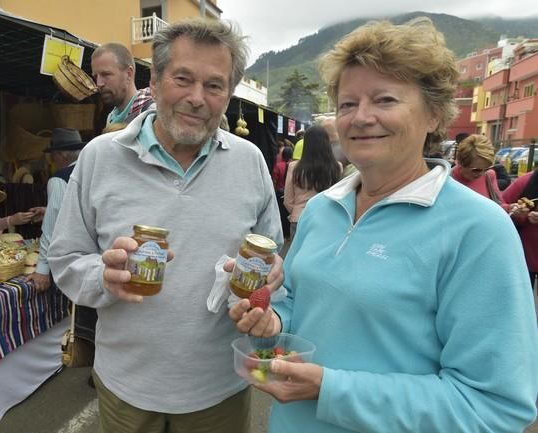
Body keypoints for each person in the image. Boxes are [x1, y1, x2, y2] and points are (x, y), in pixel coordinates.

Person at [230, 19, 538, 433]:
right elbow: (298, 304)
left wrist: (331, 389)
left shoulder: (480, 230)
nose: (361, 117)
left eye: (385, 99)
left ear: (433, 114)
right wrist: (274, 323)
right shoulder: (323, 208)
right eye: (346, 103)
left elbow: (495, 406)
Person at [48, 18, 283, 433]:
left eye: (214, 85)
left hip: (217, 392)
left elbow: (271, 264)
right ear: (153, 82)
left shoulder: (250, 163)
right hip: (126, 387)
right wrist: (105, 277)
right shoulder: (100, 157)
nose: (197, 98)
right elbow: (65, 259)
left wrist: (262, 293)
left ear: (228, 94)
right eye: (183, 79)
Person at [26, 128, 86, 292]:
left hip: (74, 259)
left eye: (53, 156)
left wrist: (43, 268)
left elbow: (52, 226)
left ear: (61, 155)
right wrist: (48, 210)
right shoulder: (93, 171)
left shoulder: (59, 179)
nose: (53, 161)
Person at [284, 124, 341, 239]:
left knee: (297, 255)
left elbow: (288, 200)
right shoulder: (337, 166)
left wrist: (296, 211)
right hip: (326, 218)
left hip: (299, 217)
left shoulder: (294, 167)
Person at [91, 42, 154, 126]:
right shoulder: (111, 118)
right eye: (95, 77)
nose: (99, 83)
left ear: (128, 74)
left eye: (106, 74)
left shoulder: (152, 115)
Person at [451, 134, 509, 209]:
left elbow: (498, 206)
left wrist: (511, 208)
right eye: (476, 170)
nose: (481, 174)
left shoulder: (489, 176)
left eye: (487, 168)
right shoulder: (446, 180)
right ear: (460, 163)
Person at [503, 168, 538, 292]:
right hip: (525, 256)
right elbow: (500, 204)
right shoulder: (528, 181)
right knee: (523, 301)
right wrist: (512, 209)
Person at [272, 146, 293, 239]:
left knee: (280, 213)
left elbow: (274, 180)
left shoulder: (278, 165)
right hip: (290, 193)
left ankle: (282, 233)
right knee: (288, 213)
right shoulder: (293, 165)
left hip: (279, 192)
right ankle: (288, 234)